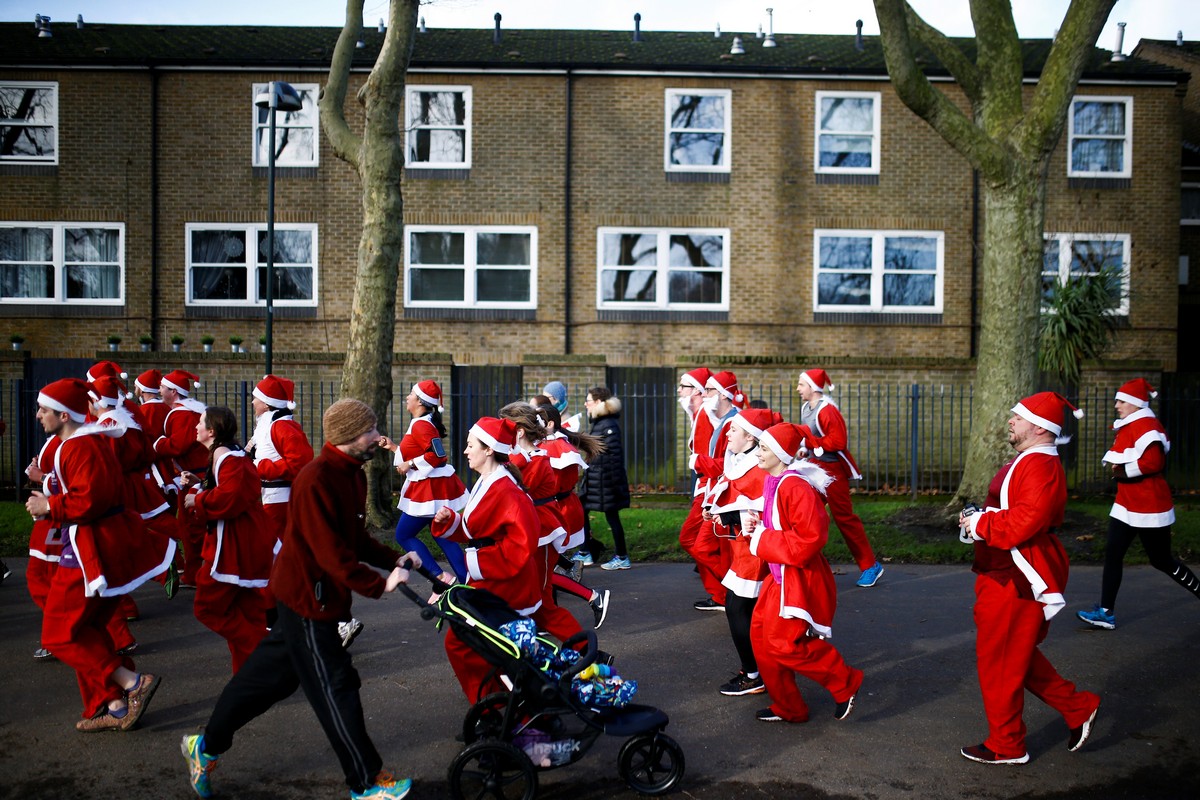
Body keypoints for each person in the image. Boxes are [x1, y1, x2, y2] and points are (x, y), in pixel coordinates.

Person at [181, 398, 417, 800]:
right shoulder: (316, 480)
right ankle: (366, 782)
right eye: (370, 430)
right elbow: (330, 552)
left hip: (312, 597)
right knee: (335, 686)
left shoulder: (352, 474)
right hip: (309, 599)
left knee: (265, 682)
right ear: (347, 436)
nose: (378, 436)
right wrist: (378, 585)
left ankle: (204, 746)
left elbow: (354, 539)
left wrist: (396, 558)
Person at [958, 392, 1101, 765]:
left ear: (1039, 426)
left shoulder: (1039, 465)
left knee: (1001, 661)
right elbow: (1014, 512)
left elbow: (1025, 521)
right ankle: (1077, 707)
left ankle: (1007, 745)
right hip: (1004, 569)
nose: (1011, 421)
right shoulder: (1031, 460)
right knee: (1012, 654)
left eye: (1018, 417)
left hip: (1016, 574)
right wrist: (978, 519)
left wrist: (981, 522)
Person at [25, 378, 173, 732]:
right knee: (88, 628)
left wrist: (50, 505)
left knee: (58, 634)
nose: (38, 415)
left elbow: (92, 499)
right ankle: (115, 705)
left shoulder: (80, 445)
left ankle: (130, 684)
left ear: (63, 415)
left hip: (88, 551)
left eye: (43, 409)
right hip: (96, 546)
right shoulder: (85, 442)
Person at [744, 422, 863, 724]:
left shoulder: (794, 485)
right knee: (761, 638)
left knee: (784, 645)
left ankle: (844, 681)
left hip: (796, 576)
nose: (758, 452)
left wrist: (761, 538)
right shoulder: (776, 480)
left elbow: (811, 538)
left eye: (765, 448)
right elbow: (777, 522)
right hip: (780, 574)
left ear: (782, 454)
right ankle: (789, 706)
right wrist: (754, 524)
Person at [432, 416, 542, 703]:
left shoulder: (506, 490)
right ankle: (494, 706)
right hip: (492, 576)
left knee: (466, 643)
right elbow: (477, 529)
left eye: (471, 445)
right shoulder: (488, 480)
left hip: (506, 582)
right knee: (471, 643)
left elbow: (521, 546)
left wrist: (474, 561)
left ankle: (499, 707)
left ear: (489, 449)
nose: (466, 451)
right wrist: (452, 520)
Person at [1077, 378, 1200, 629]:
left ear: (1135, 403)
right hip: (1126, 502)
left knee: (1162, 560)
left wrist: (1121, 471)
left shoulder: (1147, 425)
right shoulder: (1131, 424)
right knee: (1113, 554)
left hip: (1149, 504)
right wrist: (1120, 471)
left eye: (1121, 401)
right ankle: (1105, 612)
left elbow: (1154, 463)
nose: (1116, 405)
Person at [181, 406, 277, 673]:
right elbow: (230, 488)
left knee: (207, 608)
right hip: (244, 539)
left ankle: (268, 649)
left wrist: (197, 498)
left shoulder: (227, 456)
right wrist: (200, 484)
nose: (196, 427)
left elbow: (231, 497)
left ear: (212, 431)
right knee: (247, 610)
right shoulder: (228, 454)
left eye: (200, 423)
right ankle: (251, 673)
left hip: (231, 545)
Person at [501, 401, 610, 630]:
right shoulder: (535, 452)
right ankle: (552, 608)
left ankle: (589, 597)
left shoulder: (549, 451)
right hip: (548, 515)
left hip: (556, 514)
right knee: (540, 578)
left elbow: (551, 487)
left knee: (543, 578)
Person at [706, 407, 778, 697]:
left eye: (734, 429)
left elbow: (765, 509)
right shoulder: (741, 460)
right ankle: (759, 670)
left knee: (739, 609)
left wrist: (729, 517)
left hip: (754, 552)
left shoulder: (757, 467)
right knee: (744, 611)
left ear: (749, 436)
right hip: (743, 548)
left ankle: (755, 674)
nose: (728, 433)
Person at [795, 369, 884, 588]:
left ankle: (870, 566)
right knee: (807, 513)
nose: (797, 389)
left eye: (801, 385)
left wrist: (810, 445)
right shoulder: (807, 408)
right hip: (815, 468)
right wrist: (804, 450)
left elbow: (838, 442)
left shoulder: (827, 411)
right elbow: (812, 438)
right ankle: (802, 563)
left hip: (833, 472)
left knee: (844, 519)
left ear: (813, 388)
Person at [378, 380, 468, 595]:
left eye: (411, 394)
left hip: (429, 490)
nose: (407, 397)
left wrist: (410, 463)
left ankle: (441, 578)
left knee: (403, 535)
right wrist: (392, 447)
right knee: (442, 536)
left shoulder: (421, 424)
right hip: (431, 489)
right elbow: (420, 452)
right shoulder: (421, 422)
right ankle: (467, 584)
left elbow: (438, 455)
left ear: (419, 401)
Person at [247, 375, 314, 633]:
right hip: (270, 499)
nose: (253, 402)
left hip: (279, 501)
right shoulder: (268, 424)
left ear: (267, 402)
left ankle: (277, 615)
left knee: (274, 557)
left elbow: (299, 462)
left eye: (256, 397)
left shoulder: (283, 426)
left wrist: (260, 467)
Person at [688, 371, 745, 609]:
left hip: (726, 496)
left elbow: (731, 464)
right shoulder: (724, 421)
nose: (704, 394)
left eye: (709, 390)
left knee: (702, 546)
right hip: (717, 494)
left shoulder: (733, 421)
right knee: (718, 548)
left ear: (722, 394)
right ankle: (729, 594)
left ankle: (735, 590)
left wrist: (699, 461)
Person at [154, 369, 209, 588]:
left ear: (173, 392)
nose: (160, 391)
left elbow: (178, 445)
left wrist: (157, 443)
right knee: (192, 526)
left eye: (163, 387)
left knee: (191, 527)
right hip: (195, 473)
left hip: (193, 476)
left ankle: (195, 573)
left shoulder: (182, 414)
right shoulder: (189, 412)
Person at [577, 386, 633, 571]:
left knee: (612, 516)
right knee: (582, 510)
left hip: (605, 481)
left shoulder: (607, 424)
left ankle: (621, 556)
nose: (586, 404)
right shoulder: (601, 422)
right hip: (597, 479)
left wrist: (616, 485)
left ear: (599, 403)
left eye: (589, 401)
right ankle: (586, 551)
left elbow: (613, 456)